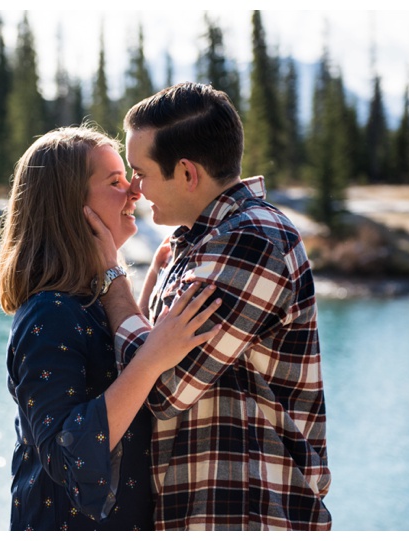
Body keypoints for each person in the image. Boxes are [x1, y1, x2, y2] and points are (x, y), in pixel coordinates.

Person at [85, 82, 332, 530]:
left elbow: (162, 389)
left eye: (140, 172)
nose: (135, 190)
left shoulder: (252, 241)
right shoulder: (194, 242)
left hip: (247, 516)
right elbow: (150, 360)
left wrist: (111, 275)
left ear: (186, 173)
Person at [0, 124, 222, 531]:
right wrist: (149, 361)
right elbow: (68, 457)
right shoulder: (49, 314)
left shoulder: (90, 303)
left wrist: (148, 295)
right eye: (116, 181)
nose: (135, 190)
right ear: (70, 205)